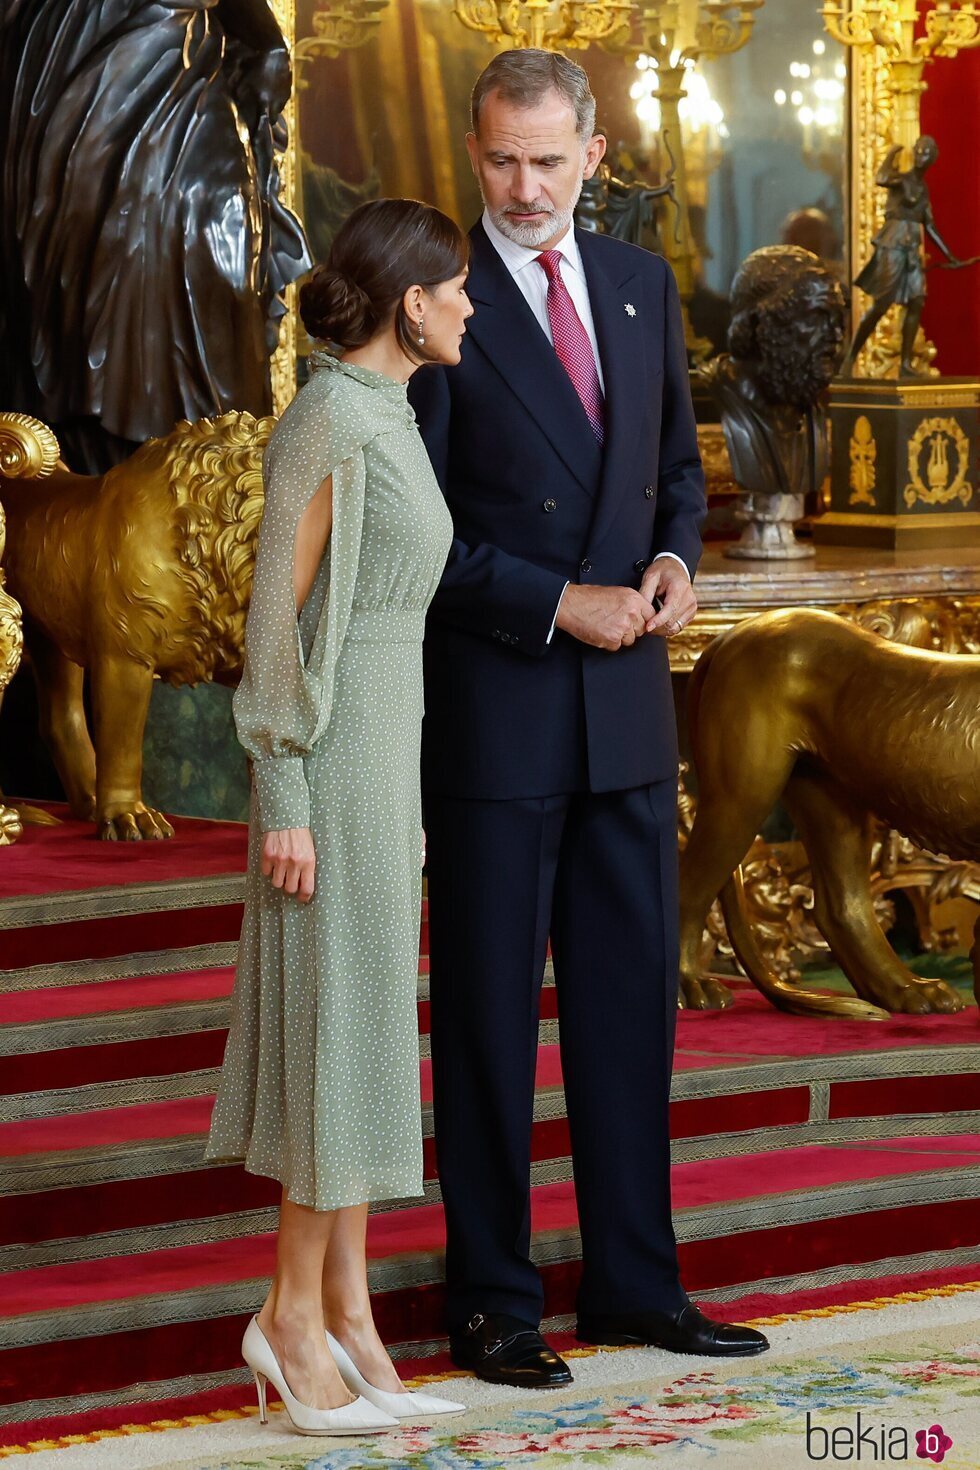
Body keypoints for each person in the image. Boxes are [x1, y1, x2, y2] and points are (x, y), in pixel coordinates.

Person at [408, 50, 770, 1388]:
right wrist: (561, 602)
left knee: (630, 1013)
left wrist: (678, 560)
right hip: (499, 715)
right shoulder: (435, 306)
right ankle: (492, 1298)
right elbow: (421, 534)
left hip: (627, 715)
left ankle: (634, 1279)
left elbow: (676, 469)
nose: (521, 186)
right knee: (492, 1021)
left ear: (594, 155)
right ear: (474, 149)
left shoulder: (639, 284)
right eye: (500, 159)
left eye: (547, 161)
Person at [204, 199, 470, 1436]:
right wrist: (288, 793)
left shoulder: (393, 413)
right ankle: (286, 1322)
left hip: (384, 765)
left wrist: (394, 799)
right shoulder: (325, 418)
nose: (469, 304)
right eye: (455, 287)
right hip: (325, 766)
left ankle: (349, 1309)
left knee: (365, 1040)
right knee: (333, 1043)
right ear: (409, 304)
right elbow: (272, 623)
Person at [0, 0, 309, 473]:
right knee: (75, 301)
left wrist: (265, 38)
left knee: (220, 253)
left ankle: (212, 486)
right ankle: (97, 485)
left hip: (184, 59)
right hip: (71, 52)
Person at [841, 136, 958, 378]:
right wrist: (892, 153)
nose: (920, 156)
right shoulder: (901, 179)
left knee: (917, 301)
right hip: (893, 243)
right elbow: (881, 178)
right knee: (881, 304)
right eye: (919, 151)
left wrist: (949, 255)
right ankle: (850, 357)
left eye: (926, 154)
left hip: (911, 246)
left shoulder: (923, 189)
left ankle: (905, 363)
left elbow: (930, 225)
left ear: (932, 160)